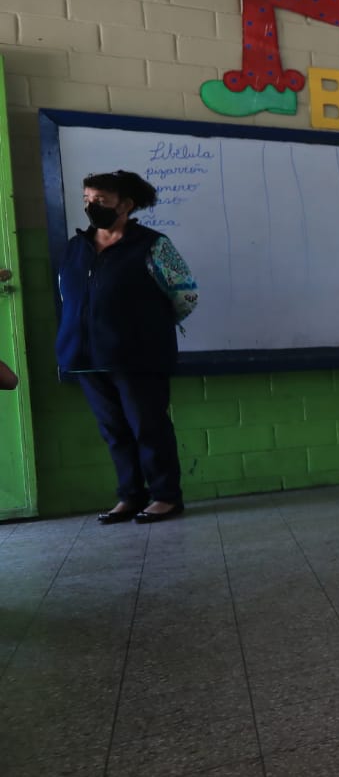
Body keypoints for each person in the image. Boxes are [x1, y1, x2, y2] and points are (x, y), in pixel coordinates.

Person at [56, 171, 199, 524]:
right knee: (114, 432)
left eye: (101, 201)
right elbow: (67, 295)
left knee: (148, 427)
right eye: (87, 200)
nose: (92, 207)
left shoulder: (153, 244)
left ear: (126, 205)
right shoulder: (77, 247)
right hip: (86, 356)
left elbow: (185, 295)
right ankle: (130, 496)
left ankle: (166, 497)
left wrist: (148, 326)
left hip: (137, 355)